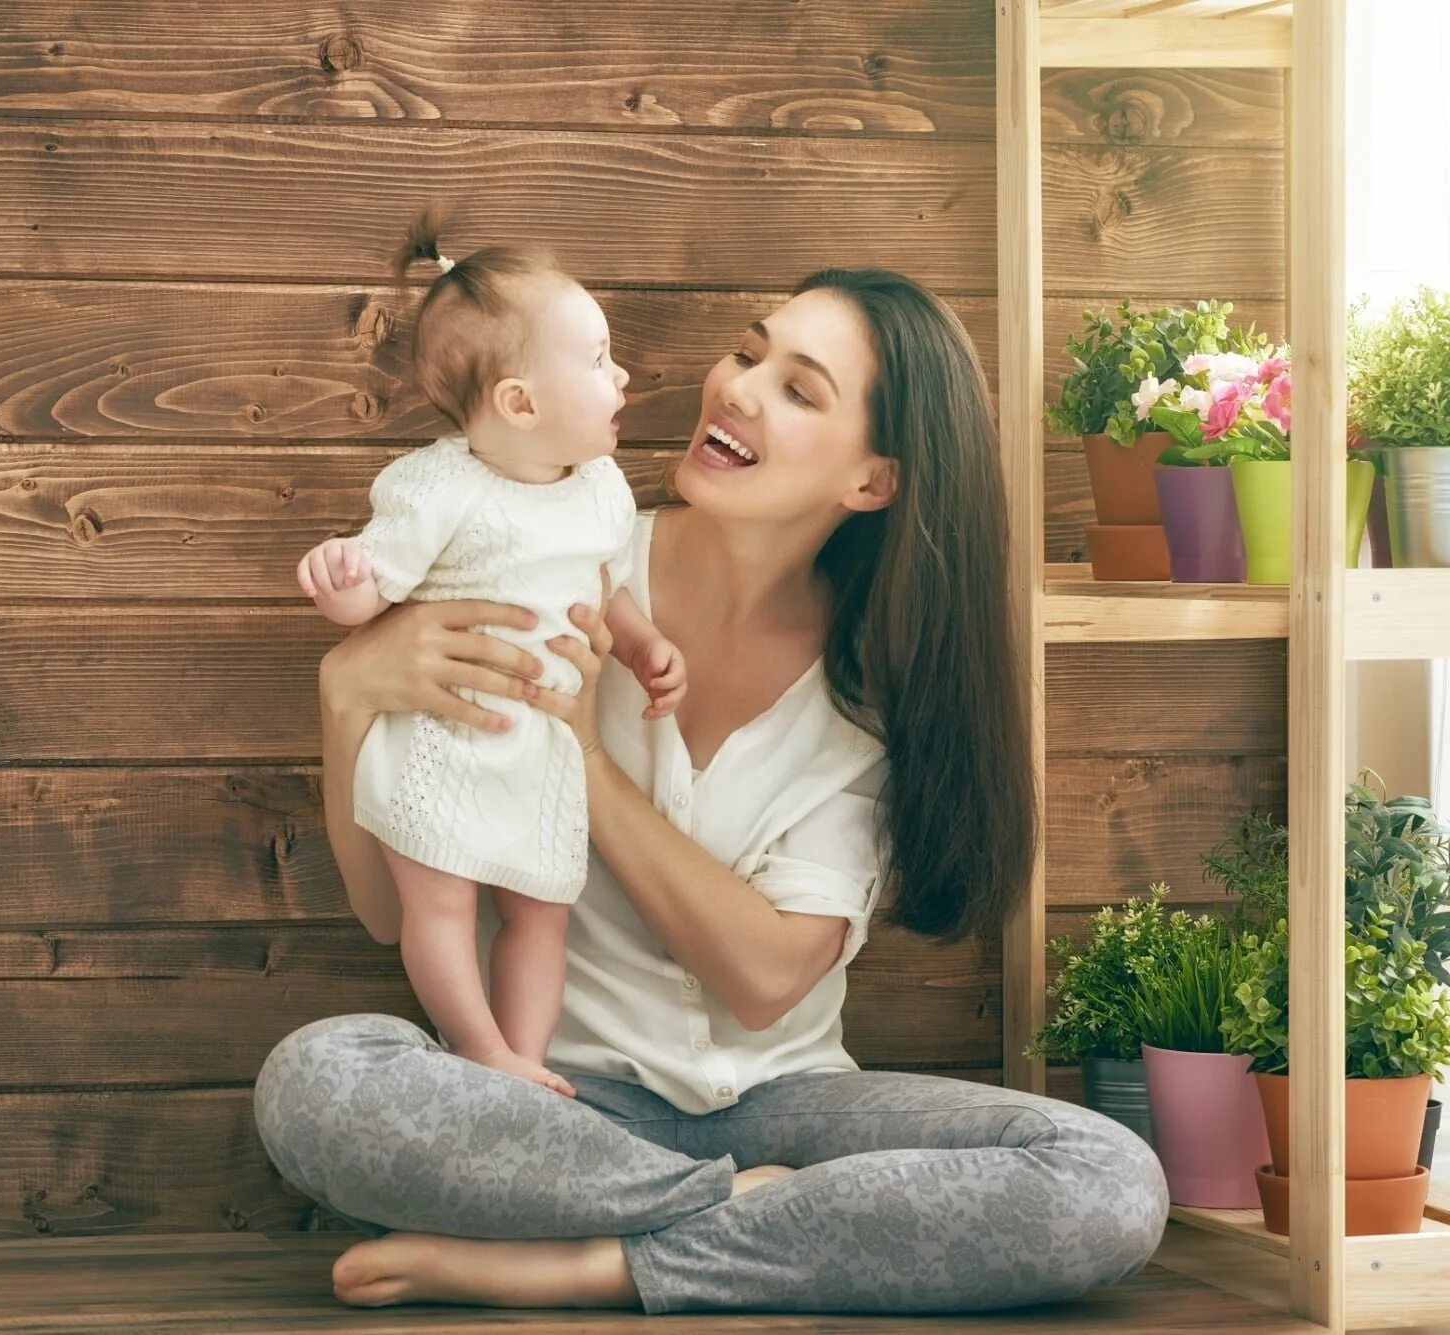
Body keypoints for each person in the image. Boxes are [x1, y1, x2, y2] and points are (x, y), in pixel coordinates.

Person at [255, 268, 1169, 1314]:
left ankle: (601, 1261)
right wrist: (344, 697)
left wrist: (584, 761)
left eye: (797, 389)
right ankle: (734, 1218)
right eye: (747, 352)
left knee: (1103, 1178)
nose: (735, 387)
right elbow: (390, 908)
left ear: (871, 481)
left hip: (791, 1112)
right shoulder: (535, 562)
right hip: (552, 1110)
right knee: (317, 1079)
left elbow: (761, 976)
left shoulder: (868, 689)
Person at [296, 220, 685, 1097]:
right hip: (444, 742)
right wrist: (338, 582)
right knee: (442, 904)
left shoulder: (600, 488)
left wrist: (645, 643)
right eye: (598, 359)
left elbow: (607, 585)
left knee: (543, 912)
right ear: (519, 403)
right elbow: (375, 588)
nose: (622, 375)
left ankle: (523, 1061)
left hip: (537, 752)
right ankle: (477, 1044)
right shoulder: (441, 489)